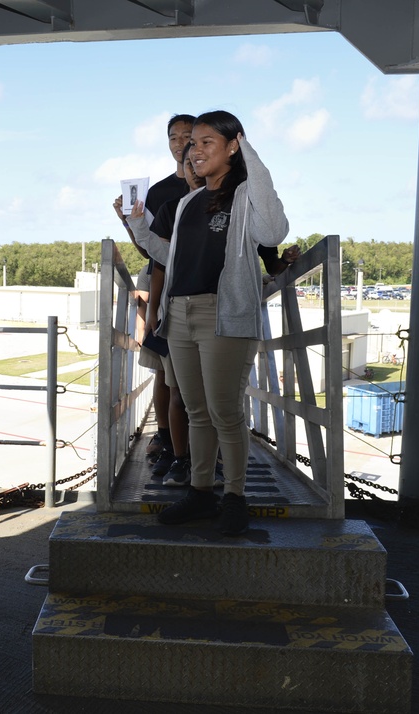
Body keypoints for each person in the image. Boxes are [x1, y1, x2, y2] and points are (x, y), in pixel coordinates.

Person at [127, 110, 289, 536]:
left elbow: (273, 232)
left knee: (224, 411)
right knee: (196, 409)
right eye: (190, 144)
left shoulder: (247, 196)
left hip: (225, 313)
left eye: (204, 143)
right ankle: (201, 491)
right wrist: (137, 222)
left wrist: (249, 153)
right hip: (181, 313)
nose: (192, 151)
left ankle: (234, 496)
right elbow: (167, 258)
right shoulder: (187, 202)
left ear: (234, 144)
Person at [115, 113, 194, 471]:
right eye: (174, 137)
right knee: (165, 370)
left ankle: (201, 447)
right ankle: (166, 436)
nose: (180, 143)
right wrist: (127, 222)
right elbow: (149, 252)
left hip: (197, 286)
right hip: (162, 279)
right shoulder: (158, 192)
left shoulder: (217, 187)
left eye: (188, 136)